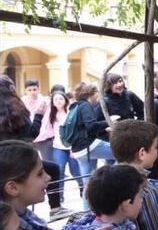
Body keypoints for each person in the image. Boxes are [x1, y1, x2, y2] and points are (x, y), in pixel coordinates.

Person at [0, 76, 65, 220]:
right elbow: (32, 133)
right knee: (53, 170)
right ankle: (55, 208)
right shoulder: (15, 107)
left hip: (3, 162)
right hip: (19, 158)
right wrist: (39, 115)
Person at [68, 81, 115, 187]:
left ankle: (89, 203)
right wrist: (109, 121)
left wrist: (104, 129)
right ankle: (111, 182)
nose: (98, 96)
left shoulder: (75, 106)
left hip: (78, 149)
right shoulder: (86, 106)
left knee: (88, 185)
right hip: (88, 146)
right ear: (91, 94)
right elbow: (91, 126)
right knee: (123, 153)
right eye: (97, 93)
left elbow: (83, 127)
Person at [42, 90, 82, 207]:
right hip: (58, 147)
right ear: (52, 102)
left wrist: (74, 148)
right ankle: (59, 195)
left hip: (72, 147)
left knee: (76, 171)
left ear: (65, 100)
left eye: (60, 99)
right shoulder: (51, 114)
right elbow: (45, 129)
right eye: (55, 99)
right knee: (59, 170)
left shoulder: (71, 112)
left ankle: (83, 188)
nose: (58, 101)